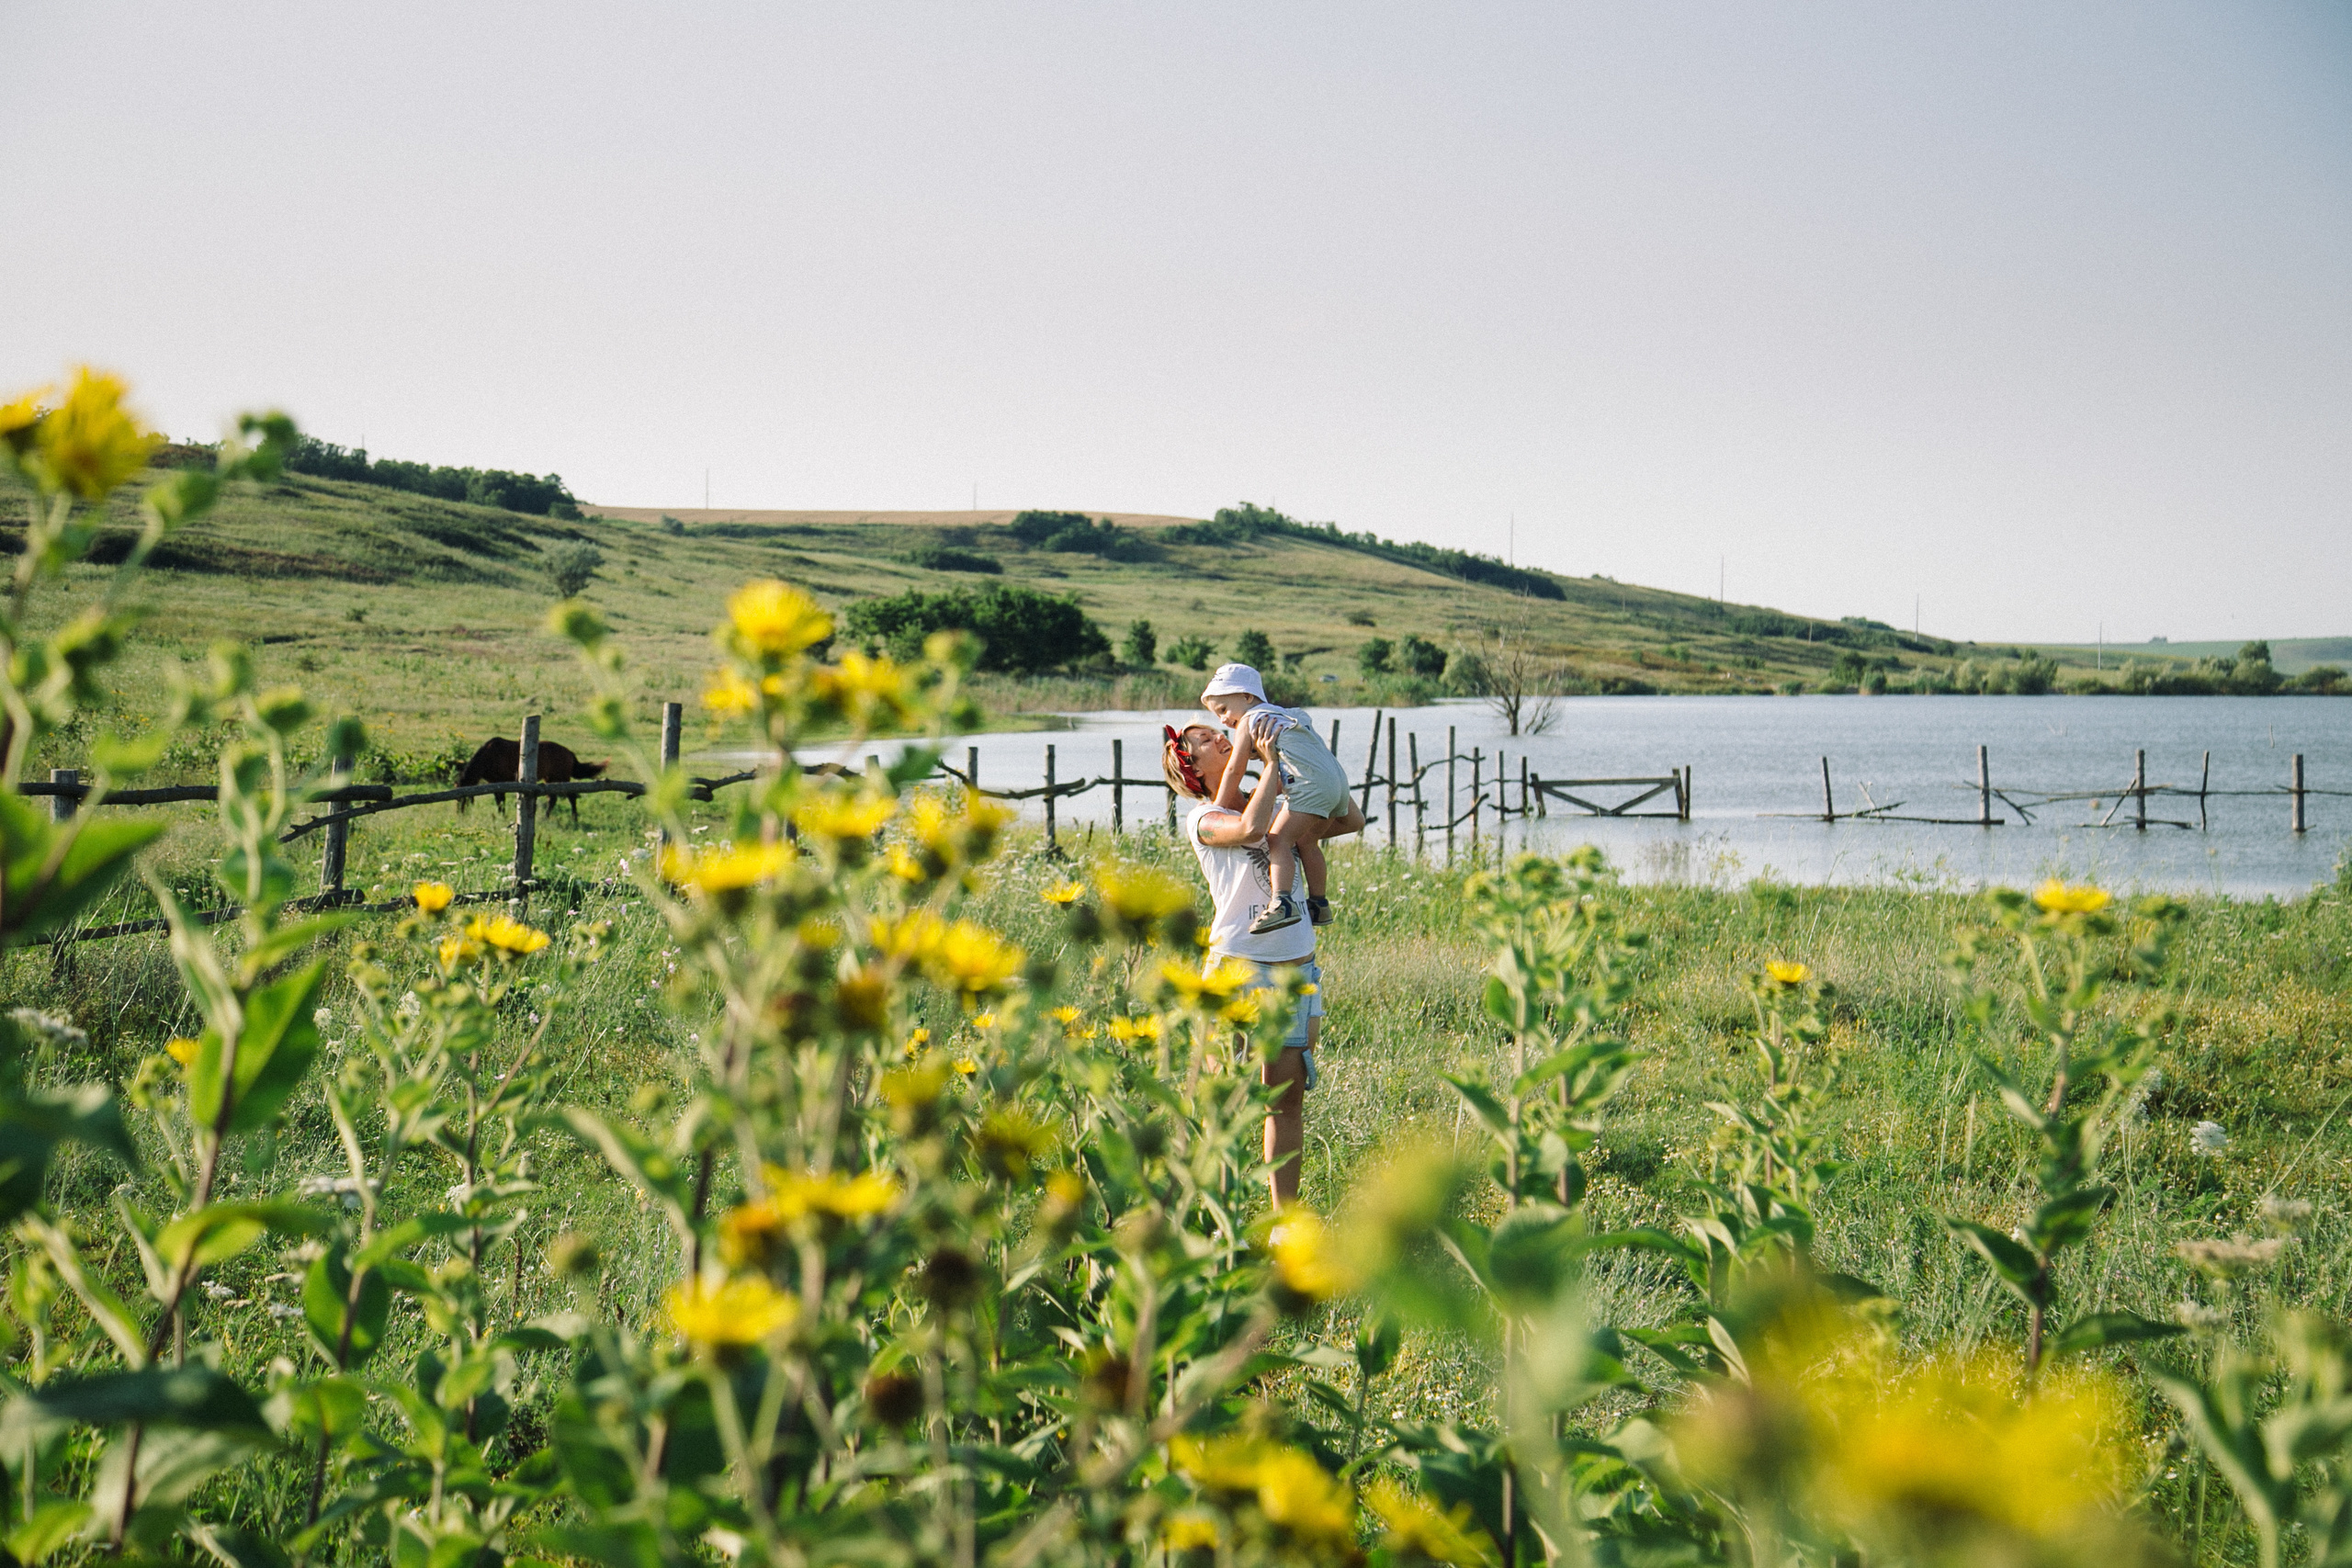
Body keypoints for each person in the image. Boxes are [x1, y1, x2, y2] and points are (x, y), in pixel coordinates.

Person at [1162, 720, 1327, 1207]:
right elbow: (1250, 829)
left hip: (1294, 970)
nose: (1219, 737)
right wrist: (1271, 762)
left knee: (1286, 1100)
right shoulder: (1204, 819)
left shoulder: (1280, 806)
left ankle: (1284, 1222)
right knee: (1222, 1099)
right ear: (1190, 766)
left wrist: (1306, 751)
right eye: (1204, 741)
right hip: (1237, 968)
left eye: (1219, 731)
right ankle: (1213, 1210)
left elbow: (1348, 819)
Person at [1198, 663, 1363, 933]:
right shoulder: (1288, 716)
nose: (1224, 722)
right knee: (1308, 840)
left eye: (1224, 711)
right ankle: (1319, 904)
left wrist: (1219, 806)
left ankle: (1282, 903)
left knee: (1278, 840)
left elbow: (1235, 768)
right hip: (1338, 783)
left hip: (1309, 787)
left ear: (1247, 697)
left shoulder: (1250, 720)